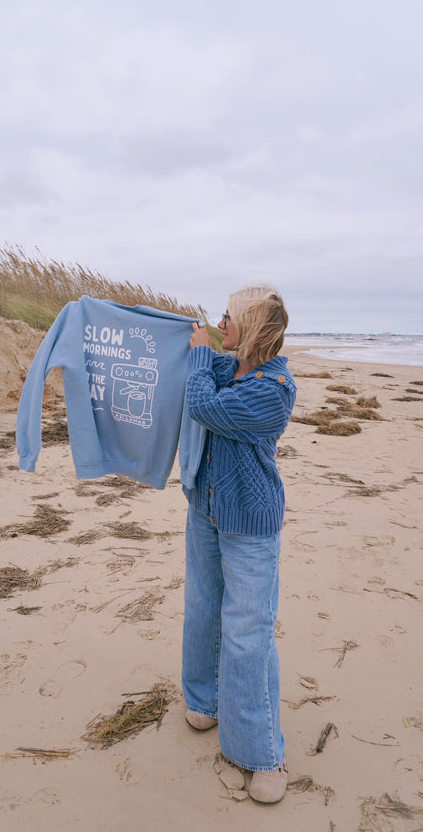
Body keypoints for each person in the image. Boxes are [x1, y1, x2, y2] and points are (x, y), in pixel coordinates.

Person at [181, 284, 296, 804]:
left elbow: (205, 404)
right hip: (205, 509)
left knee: (247, 633)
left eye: (228, 317)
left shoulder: (273, 389)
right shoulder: (235, 368)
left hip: (249, 523)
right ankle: (204, 701)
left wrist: (201, 354)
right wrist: (198, 349)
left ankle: (260, 752)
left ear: (250, 328)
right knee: (203, 609)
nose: (219, 322)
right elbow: (204, 377)